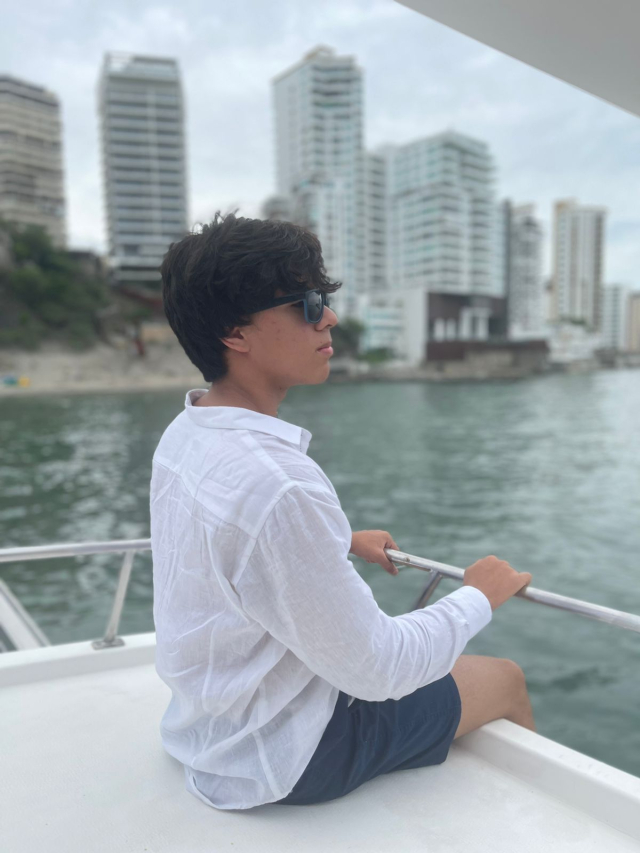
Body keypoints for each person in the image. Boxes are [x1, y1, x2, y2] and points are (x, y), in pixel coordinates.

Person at [150, 212, 535, 811]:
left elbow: (225, 539)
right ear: (235, 332)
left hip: (205, 727)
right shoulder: (280, 485)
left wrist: (336, 538)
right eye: (307, 305)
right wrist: (478, 596)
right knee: (506, 678)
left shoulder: (187, 432)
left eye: (324, 301)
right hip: (289, 755)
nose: (328, 318)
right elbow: (377, 668)